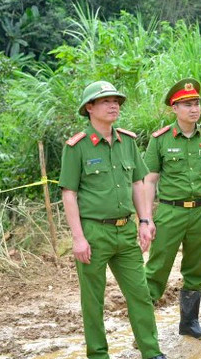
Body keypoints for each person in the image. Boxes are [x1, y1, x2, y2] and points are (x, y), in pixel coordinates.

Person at [59, 81, 166, 359]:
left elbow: (138, 184)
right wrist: (78, 237)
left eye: (116, 100)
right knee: (93, 300)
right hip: (93, 233)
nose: (113, 105)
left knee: (140, 294)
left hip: (126, 231)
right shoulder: (77, 147)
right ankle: (98, 354)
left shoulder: (127, 141)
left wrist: (145, 220)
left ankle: (152, 351)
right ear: (90, 107)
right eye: (105, 100)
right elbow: (69, 194)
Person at [143, 78, 201, 340]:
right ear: (174, 108)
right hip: (171, 212)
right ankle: (144, 329)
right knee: (157, 270)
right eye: (187, 104)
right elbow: (150, 180)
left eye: (197, 103)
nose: (194, 109)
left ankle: (189, 323)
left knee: (196, 269)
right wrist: (146, 219)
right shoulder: (160, 140)